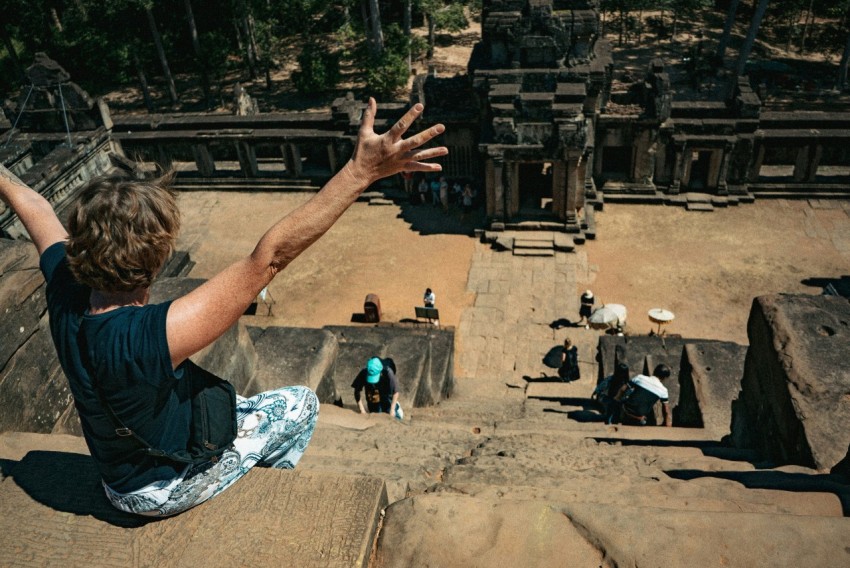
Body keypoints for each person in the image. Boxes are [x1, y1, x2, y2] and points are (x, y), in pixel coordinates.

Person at [0, 97, 447, 517]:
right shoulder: (154, 333)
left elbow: (33, 203)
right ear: (157, 259)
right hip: (159, 489)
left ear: (79, 241)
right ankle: (261, 497)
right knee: (301, 404)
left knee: (243, 404)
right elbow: (269, 257)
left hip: (116, 476)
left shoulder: (63, 285)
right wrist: (359, 172)